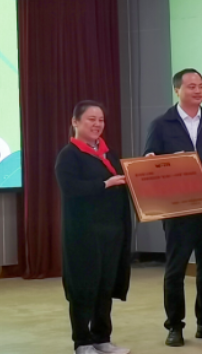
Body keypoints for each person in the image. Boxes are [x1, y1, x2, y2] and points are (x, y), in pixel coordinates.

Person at [144, 69, 202, 347]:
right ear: (177, 90)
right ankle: (174, 326)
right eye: (191, 86)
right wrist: (165, 160)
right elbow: (149, 161)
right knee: (176, 271)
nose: (198, 90)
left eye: (201, 86)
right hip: (178, 209)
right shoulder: (161, 124)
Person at [55, 100, 133, 354]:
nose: (97, 124)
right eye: (91, 119)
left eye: (101, 120)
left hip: (111, 232)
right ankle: (82, 342)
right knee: (84, 287)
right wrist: (105, 184)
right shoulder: (69, 155)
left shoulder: (110, 154)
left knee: (105, 286)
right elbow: (71, 189)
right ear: (75, 122)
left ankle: (102, 338)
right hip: (84, 234)